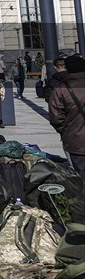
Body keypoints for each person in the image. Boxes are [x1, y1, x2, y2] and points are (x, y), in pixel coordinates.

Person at [47, 54, 85, 188]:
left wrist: (65, 130)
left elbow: (55, 117)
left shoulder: (61, 88)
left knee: (81, 176)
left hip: (76, 139)